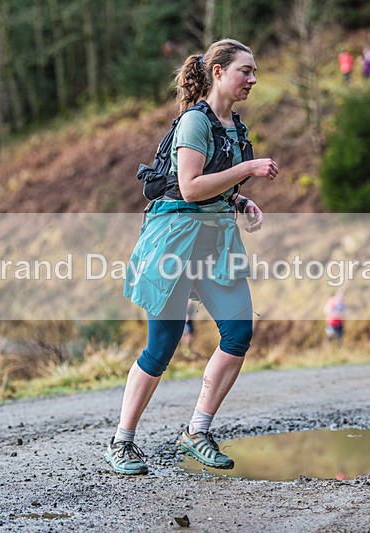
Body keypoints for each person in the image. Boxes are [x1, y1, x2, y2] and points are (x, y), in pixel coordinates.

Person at [105, 38, 279, 476]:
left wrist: (241, 203)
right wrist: (247, 171)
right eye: (246, 71)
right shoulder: (193, 123)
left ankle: (196, 431)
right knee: (161, 347)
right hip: (175, 244)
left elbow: (218, 190)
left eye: (255, 72)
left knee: (238, 334)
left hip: (217, 244)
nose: (253, 79)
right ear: (218, 72)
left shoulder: (236, 128)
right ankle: (121, 442)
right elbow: (190, 187)